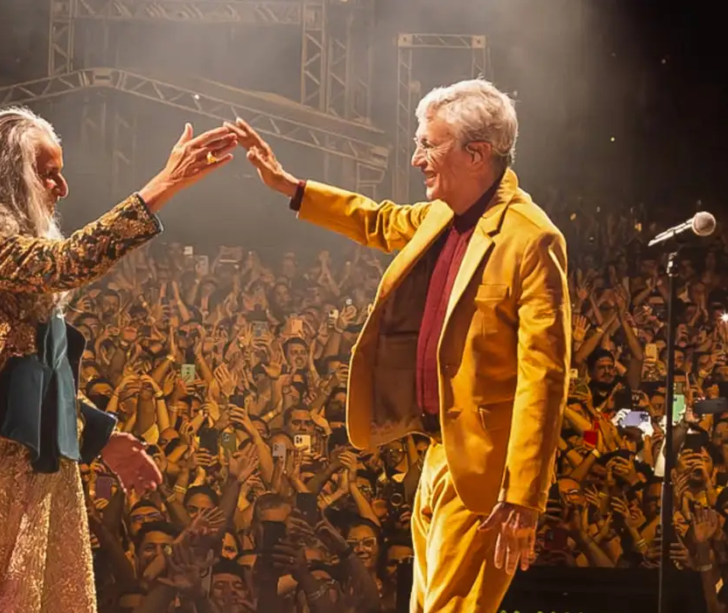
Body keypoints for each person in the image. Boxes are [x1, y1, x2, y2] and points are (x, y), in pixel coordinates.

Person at [227, 79, 571, 611]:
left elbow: (544, 381)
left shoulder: (531, 238)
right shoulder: (441, 215)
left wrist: (523, 497)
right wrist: (291, 187)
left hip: (486, 472)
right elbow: (377, 221)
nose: (416, 159)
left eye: (428, 145)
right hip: (437, 454)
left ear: (476, 154)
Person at [0, 107, 236, 612]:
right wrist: (164, 184)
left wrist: (99, 436)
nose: (62, 188)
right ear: (7, 174)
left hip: (23, 455)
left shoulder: (3, 244)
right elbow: (66, 264)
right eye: (48, 173)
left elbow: (24, 372)